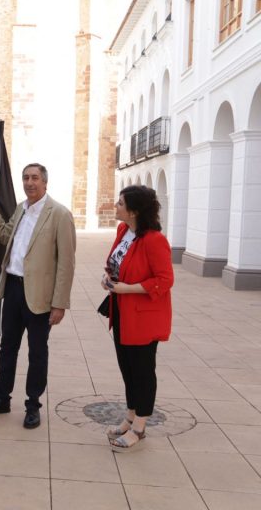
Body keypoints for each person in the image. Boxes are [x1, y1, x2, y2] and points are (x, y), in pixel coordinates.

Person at [0, 163, 76, 429]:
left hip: (40, 297)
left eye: (34, 178)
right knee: (7, 348)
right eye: (25, 178)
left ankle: (33, 405)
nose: (29, 182)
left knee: (37, 352)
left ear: (45, 182)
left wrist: (59, 303)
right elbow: (6, 236)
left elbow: (66, 263)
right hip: (13, 289)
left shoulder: (60, 215)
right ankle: (2, 398)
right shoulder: (21, 209)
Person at [102, 185, 173, 452]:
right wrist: (109, 278)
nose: (115, 206)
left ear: (133, 211)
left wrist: (127, 289)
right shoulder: (123, 231)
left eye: (120, 203)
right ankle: (130, 416)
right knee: (127, 367)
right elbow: (114, 263)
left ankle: (140, 426)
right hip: (121, 310)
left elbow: (165, 280)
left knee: (142, 371)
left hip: (143, 316)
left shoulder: (154, 240)